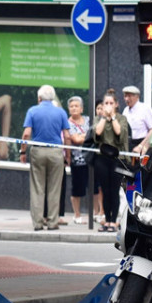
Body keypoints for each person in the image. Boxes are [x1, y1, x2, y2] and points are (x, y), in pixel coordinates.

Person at [20, 85, 69, 231]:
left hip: (38, 151)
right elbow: (67, 136)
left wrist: (22, 152)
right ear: (52, 97)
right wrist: (68, 155)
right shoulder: (60, 112)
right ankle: (53, 222)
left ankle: (38, 223)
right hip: (55, 152)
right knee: (54, 189)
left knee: (37, 188)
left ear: (39, 98)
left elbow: (26, 134)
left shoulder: (33, 111)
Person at [93, 92, 129, 232]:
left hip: (117, 159)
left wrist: (112, 117)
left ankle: (114, 221)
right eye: (105, 103)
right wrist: (104, 117)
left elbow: (120, 133)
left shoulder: (121, 118)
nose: (108, 106)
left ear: (116, 104)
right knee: (105, 190)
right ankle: (107, 220)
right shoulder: (99, 118)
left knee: (114, 190)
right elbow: (97, 133)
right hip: (102, 158)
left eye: (110, 103)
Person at [66, 96, 90, 224]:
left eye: (76, 106)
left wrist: (82, 136)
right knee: (77, 188)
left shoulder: (88, 119)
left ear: (81, 108)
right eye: (71, 106)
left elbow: (95, 134)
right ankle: (77, 215)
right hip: (77, 160)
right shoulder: (67, 123)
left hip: (91, 160)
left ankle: (98, 213)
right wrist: (86, 135)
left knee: (95, 188)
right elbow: (76, 140)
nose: (74, 108)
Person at [122, 85, 152, 155]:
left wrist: (141, 146)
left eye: (129, 96)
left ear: (137, 97)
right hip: (129, 144)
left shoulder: (145, 109)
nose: (126, 99)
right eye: (125, 96)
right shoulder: (125, 110)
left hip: (142, 144)